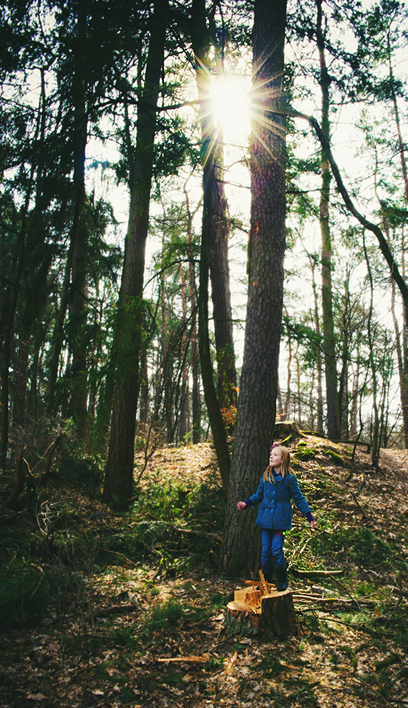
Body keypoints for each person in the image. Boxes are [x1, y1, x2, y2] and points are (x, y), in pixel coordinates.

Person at [237, 443, 316, 591]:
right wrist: (246, 504)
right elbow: (259, 495)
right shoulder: (266, 476)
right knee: (265, 551)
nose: (271, 457)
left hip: (281, 522)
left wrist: (309, 516)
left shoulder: (290, 479)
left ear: (283, 459)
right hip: (265, 521)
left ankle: (282, 579)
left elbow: (298, 498)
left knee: (276, 550)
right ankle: (266, 580)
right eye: (271, 455)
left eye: (275, 455)